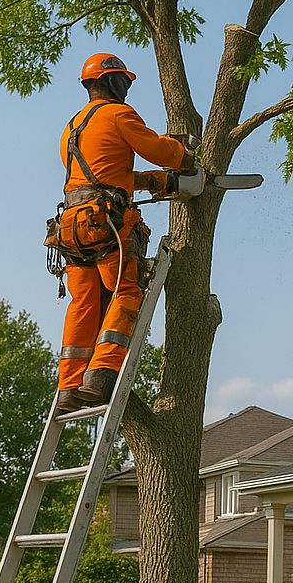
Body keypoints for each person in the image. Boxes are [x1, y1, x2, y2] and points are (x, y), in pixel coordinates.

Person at [55, 52, 198, 412]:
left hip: (72, 227)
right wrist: (184, 157)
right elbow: (156, 149)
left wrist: (156, 182)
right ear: (111, 81)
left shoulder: (72, 127)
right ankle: (101, 376)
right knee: (125, 291)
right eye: (124, 81)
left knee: (83, 304)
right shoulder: (119, 114)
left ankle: (69, 386)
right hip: (106, 227)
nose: (128, 88)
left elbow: (104, 174)